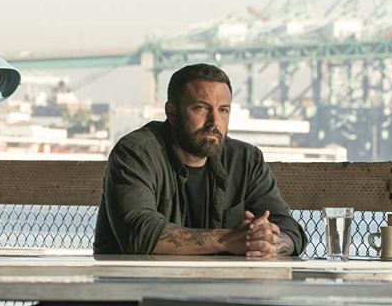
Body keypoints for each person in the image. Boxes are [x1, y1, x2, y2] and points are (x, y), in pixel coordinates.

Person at [93, 63, 305, 257]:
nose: (214, 121)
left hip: (219, 283)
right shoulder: (136, 153)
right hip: (134, 282)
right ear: (171, 112)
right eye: (201, 108)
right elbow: (140, 233)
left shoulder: (246, 160)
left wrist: (271, 243)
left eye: (223, 110)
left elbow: (290, 230)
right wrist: (227, 240)